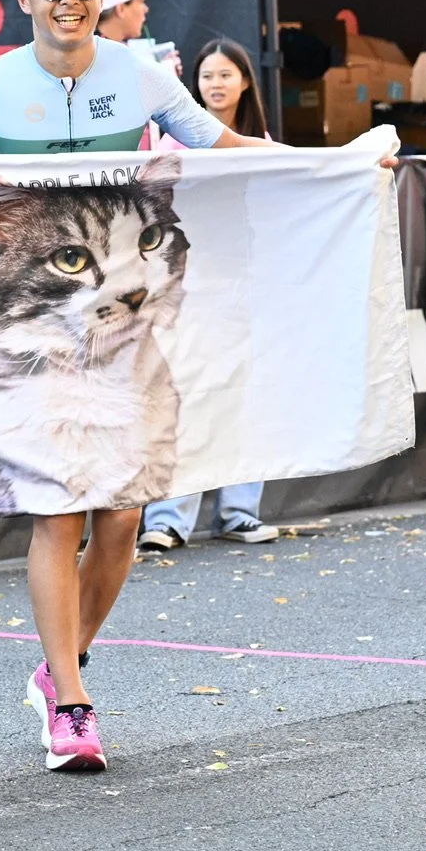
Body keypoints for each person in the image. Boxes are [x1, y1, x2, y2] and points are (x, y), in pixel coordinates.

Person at [0, 0, 279, 771]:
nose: (71, 1)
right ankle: (70, 701)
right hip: (39, 342)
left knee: (125, 517)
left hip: (125, 337)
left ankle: (62, 661)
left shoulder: (140, 76)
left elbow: (223, 144)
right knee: (59, 517)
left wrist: (339, 161)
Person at [139, 38, 279, 551]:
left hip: (240, 281)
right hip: (183, 287)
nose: (215, 84)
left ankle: (239, 511)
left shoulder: (259, 140)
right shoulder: (173, 139)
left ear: (245, 81)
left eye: (225, 75)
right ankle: (168, 519)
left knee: (242, 392)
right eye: (206, 76)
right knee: (182, 394)